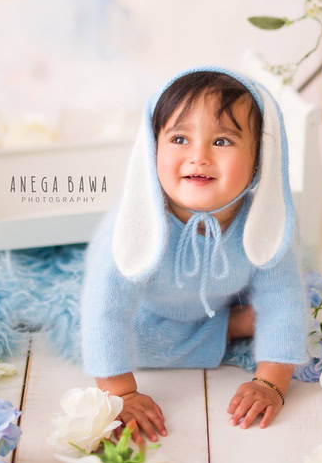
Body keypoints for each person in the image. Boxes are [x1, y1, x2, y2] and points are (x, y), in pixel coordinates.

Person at [80, 67, 308, 441]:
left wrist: (272, 382)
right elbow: (105, 309)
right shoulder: (134, 224)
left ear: (259, 159)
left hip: (216, 300)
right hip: (150, 312)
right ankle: (231, 327)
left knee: (288, 311)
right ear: (153, 147)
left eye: (222, 141)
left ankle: (227, 321)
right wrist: (121, 392)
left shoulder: (263, 222)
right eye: (180, 138)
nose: (198, 156)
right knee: (130, 340)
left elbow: (283, 302)